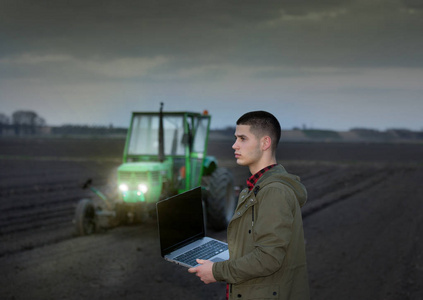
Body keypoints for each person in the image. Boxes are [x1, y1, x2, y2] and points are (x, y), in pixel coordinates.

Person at [188, 111, 310, 300]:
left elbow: (269, 258)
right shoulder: (253, 190)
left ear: (265, 143)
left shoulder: (274, 192)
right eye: (236, 138)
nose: (234, 145)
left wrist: (217, 271)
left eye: (242, 138)